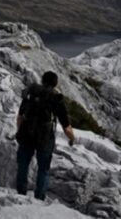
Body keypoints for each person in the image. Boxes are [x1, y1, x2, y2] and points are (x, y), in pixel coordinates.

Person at [15, 71, 76, 200]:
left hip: (26, 132)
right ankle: (39, 197)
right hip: (45, 137)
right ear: (55, 84)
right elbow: (66, 126)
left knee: (23, 164)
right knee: (43, 169)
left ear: (42, 80)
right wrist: (72, 138)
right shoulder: (56, 98)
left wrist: (19, 131)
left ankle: (20, 194)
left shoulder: (31, 92)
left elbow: (20, 117)